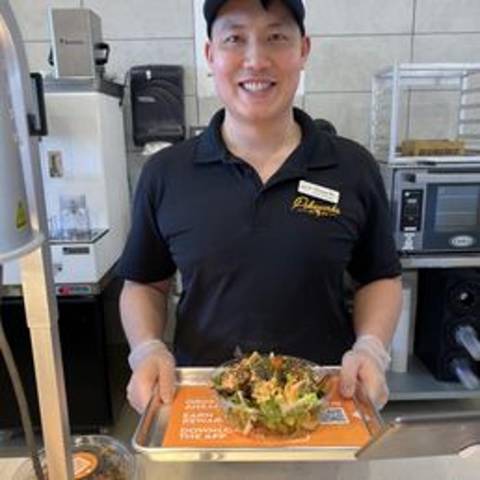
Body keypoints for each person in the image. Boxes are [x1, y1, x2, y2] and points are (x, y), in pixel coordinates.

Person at [116, 0, 402, 415]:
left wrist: (371, 349)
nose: (255, 60)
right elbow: (144, 283)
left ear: (303, 50)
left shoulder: (352, 167)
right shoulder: (166, 173)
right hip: (206, 405)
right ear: (210, 54)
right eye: (235, 38)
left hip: (322, 405)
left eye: (276, 37)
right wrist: (146, 349)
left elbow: (379, 276)